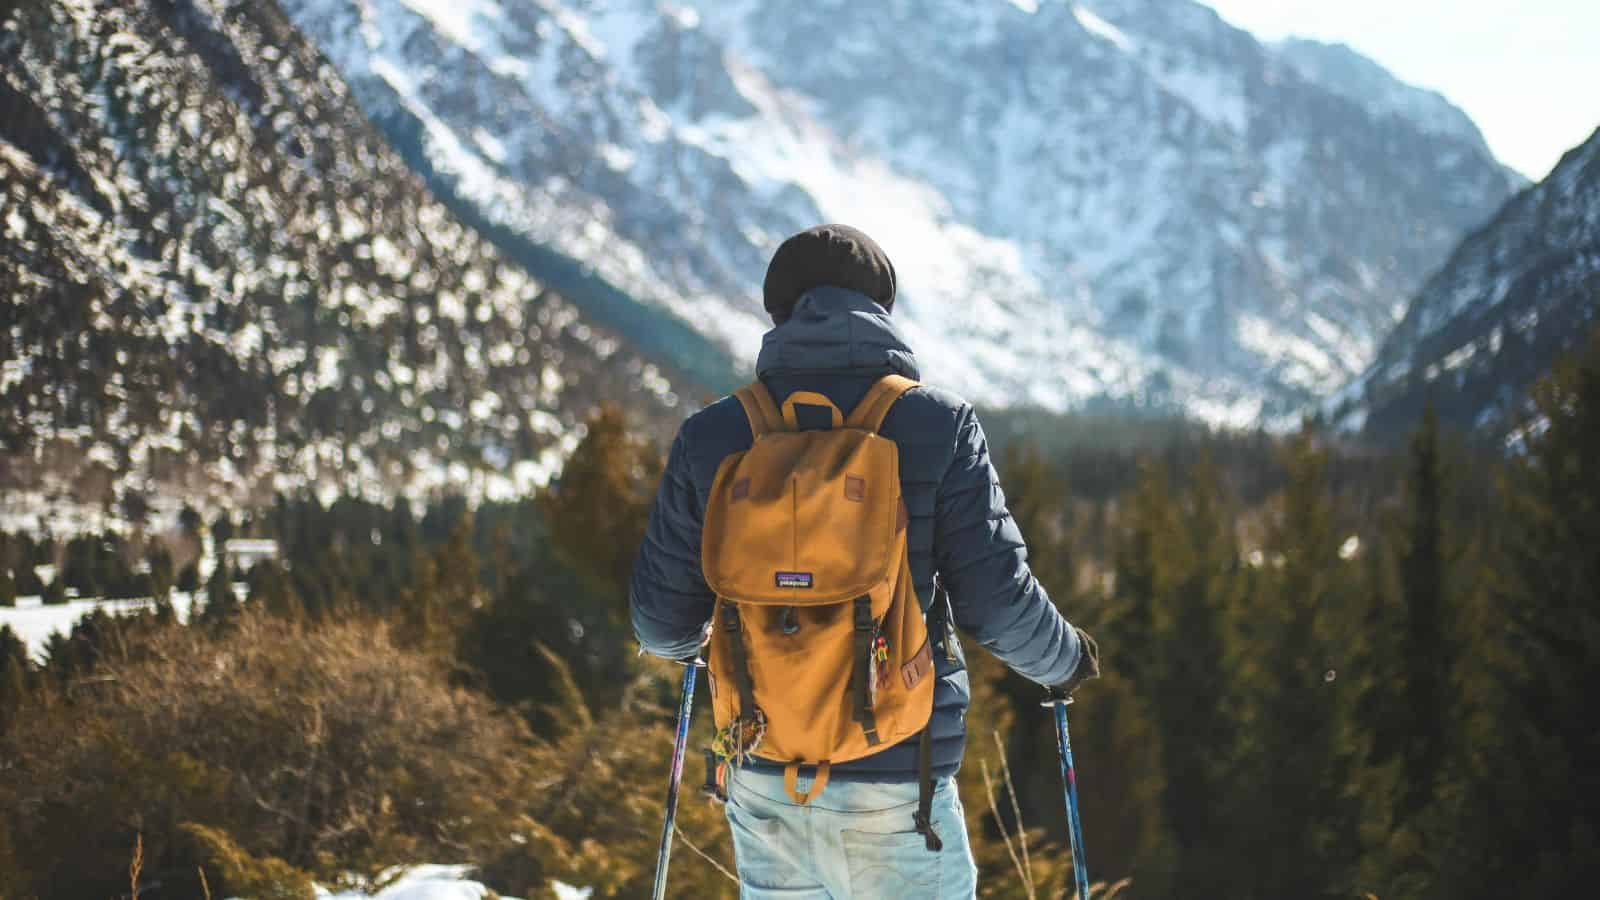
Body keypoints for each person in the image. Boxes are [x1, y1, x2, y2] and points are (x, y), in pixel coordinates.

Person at [630, 224, 1099, 898]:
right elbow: (996, 601)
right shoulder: (938, 425)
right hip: (896, 775)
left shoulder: (715, 436)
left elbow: (660, 625)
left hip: (764, 771)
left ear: (778, 312)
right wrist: (1065, 662)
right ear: (882, 309)